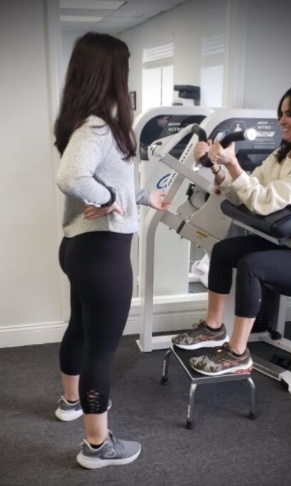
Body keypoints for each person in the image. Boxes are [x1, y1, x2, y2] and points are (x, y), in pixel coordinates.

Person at [171, 81, 291, 376]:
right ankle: (214, 328)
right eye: (282, 112)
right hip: (290, 245)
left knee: (252, 265)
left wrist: (233, 163)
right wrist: (216, 165)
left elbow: (263, 201)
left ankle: (238, 354)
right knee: (225, 249)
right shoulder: (282, 155)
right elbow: (245, 191)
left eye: (290, 114)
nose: (282, 119)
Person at [54, 32, 170, 469]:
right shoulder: (99, 125)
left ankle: (70, 403)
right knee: (102, 350)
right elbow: (72, 176)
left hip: (81, 249)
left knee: (80, 331)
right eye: (124, 68)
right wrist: (106, 199)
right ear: (111, 73)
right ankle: (97, 447)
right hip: (103, 255)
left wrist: (138, 199)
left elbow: (105, 179)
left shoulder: (82, 121)